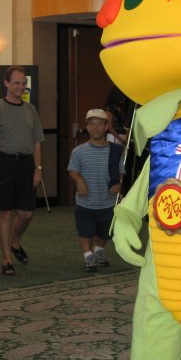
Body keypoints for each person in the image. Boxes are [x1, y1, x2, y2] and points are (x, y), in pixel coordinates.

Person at [0, 65, 44, 276]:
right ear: (6, 83)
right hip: (3, 164)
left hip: (26, 165)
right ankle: (7, 259)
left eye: (23, 83)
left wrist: (38, 169)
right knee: (5, 214)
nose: (21, 86)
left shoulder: (30, 110)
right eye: (16, 82)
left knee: (26, 213)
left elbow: (37, 142)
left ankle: (15, 241)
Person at [68, 109, 124, 272]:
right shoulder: (79, 151)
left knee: (104, 231)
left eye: (99, 124)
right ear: (87, 127)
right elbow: (73, 171)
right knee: (85, 231)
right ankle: (88, 255)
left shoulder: (115, 151)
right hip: (85, 201)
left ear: (106, 127)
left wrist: (118, 183)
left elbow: (120, 171)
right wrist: (79, 181)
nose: (95, 127)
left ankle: (99, 250)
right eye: (91, 124)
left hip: (107, 200)